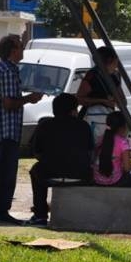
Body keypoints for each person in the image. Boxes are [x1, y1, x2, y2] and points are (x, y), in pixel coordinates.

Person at [0, 35, 43, 224]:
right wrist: (29, 99)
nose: (23, 50)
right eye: (20, 47)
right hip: (5, 128)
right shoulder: (7, 71)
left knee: (3, 171)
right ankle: (0, 211)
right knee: (6, 173)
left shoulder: (1, 69)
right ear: (13, 50)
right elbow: (8, 103)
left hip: (0, 127)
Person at [27, 93, 94, 226]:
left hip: (49, 175)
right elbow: (90, 152)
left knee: (35, 170)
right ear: (74, 110)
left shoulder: (44, 125)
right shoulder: (84, 126)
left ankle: (40, 215)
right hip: (80, 176)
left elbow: (36, 152)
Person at [76, 46, 125, 143]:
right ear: (109, 60)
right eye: (115, 59)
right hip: (92, 120)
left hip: (109, 119)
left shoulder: (115, 76)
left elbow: (123, 101)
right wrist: (102, 101)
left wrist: (117, 101)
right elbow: (79, 99)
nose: (117, 63)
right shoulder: (92, 75)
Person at [92, 111, 131, 187]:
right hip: (115, 181)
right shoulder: (122, 142)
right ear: (123, 127)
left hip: (97, 180)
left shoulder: (100, 139)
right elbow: (127, 168)